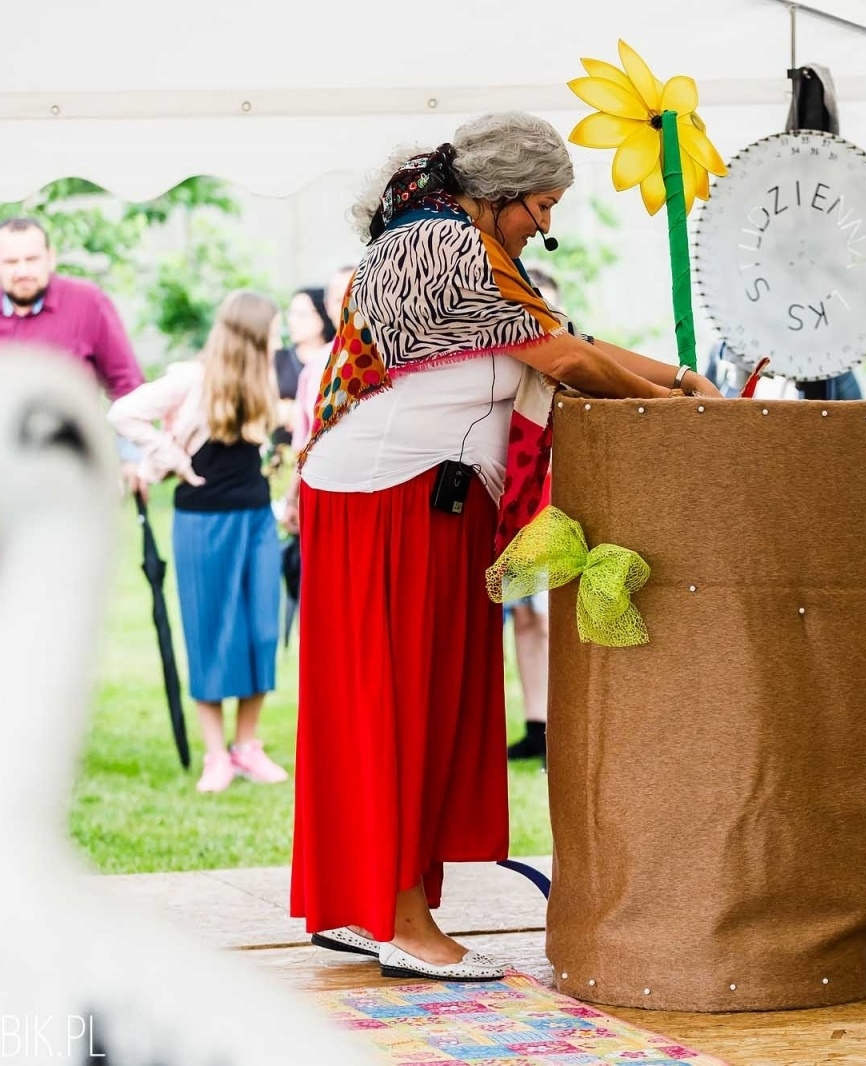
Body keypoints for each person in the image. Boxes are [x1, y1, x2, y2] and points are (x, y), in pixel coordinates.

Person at [289, 112, 722, 981]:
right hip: (394, 501)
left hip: (410, 500)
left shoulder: (462, 244)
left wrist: (676, 378)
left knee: (393, 704)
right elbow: (562, 355)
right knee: (399, 706)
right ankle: (403, 926)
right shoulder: (437, 247)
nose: (548, 225)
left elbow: (567, 340)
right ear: (498, 193)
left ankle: (363, 900)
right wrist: (681, 399)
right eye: (544, 205)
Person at [109, 292, 287, 794]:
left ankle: (247, 746)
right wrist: (166, 454)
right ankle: (216, 755)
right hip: (202, 523)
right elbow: (123, 414)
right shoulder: (193, 379)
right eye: (273, 331)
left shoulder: (264, 379)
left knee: (261, 632)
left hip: (255, 519)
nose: (280, 339)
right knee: (210, 635)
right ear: (251, 334)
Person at [0, 217, 147, 608]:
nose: (23, 271)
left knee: (61, 614)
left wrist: (130, 457)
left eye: (32, 259)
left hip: (66, 488)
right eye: (11, 262)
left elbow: (127, 383)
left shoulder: (88, 305)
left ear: (51, 257)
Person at [503, 267, 561, 764]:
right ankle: (535, 723)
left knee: (548, 622)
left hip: (550, 513)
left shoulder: (567, 375)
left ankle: (559, 724)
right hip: (517, 513)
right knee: (522, 616)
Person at [271, 287, 335, 450]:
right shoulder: (278, 359)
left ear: (323, 314)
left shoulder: (335, 360)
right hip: (284, 455)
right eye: (291, 313)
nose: (292, 321)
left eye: (301, 314)